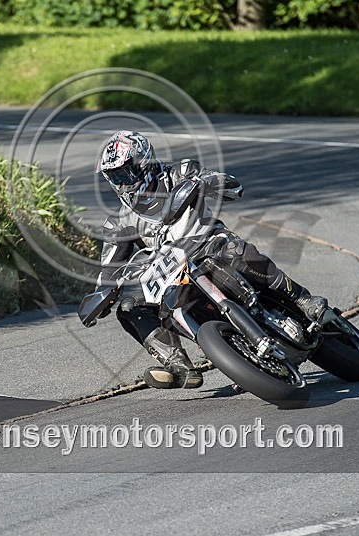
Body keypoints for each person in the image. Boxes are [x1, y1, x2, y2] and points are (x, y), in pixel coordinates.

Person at [83, 130, 327, 390]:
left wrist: (209, 183)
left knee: (234, 249)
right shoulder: (118, 223)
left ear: (143, 162)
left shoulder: (179, 173)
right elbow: (109, 267)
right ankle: (178, 365)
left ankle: (301, 298)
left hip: (209, 246)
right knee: (130, 309)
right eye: (114, 177)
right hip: (173, 275)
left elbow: (229, 185)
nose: (121, 183)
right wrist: (104, 293)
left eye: (124, 174)